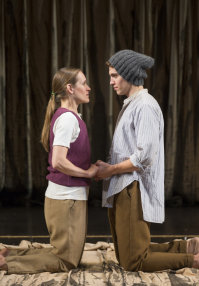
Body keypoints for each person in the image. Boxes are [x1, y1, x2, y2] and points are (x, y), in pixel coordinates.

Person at [95, 50, 199, 272]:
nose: (111, 81)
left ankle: (194, 261)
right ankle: (189, 247)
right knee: (126, 255)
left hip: (133, 188)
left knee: (134, 261)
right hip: (123, 186)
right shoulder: (132, 103)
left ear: (129, 73)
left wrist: (111, 169)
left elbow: (145, 157)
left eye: (114, 75)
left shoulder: (145, 105)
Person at [0, 67, 98, 274]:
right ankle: (7, 264)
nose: (88, 88)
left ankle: (9, 255)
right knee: (67, 261)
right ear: (70, 88)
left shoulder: (69, 117)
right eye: (84, 83)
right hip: (66, 200)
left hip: (67, 199)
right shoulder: (67, 119)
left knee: (64, 254)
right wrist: (88, 173)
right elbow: (59, 161)